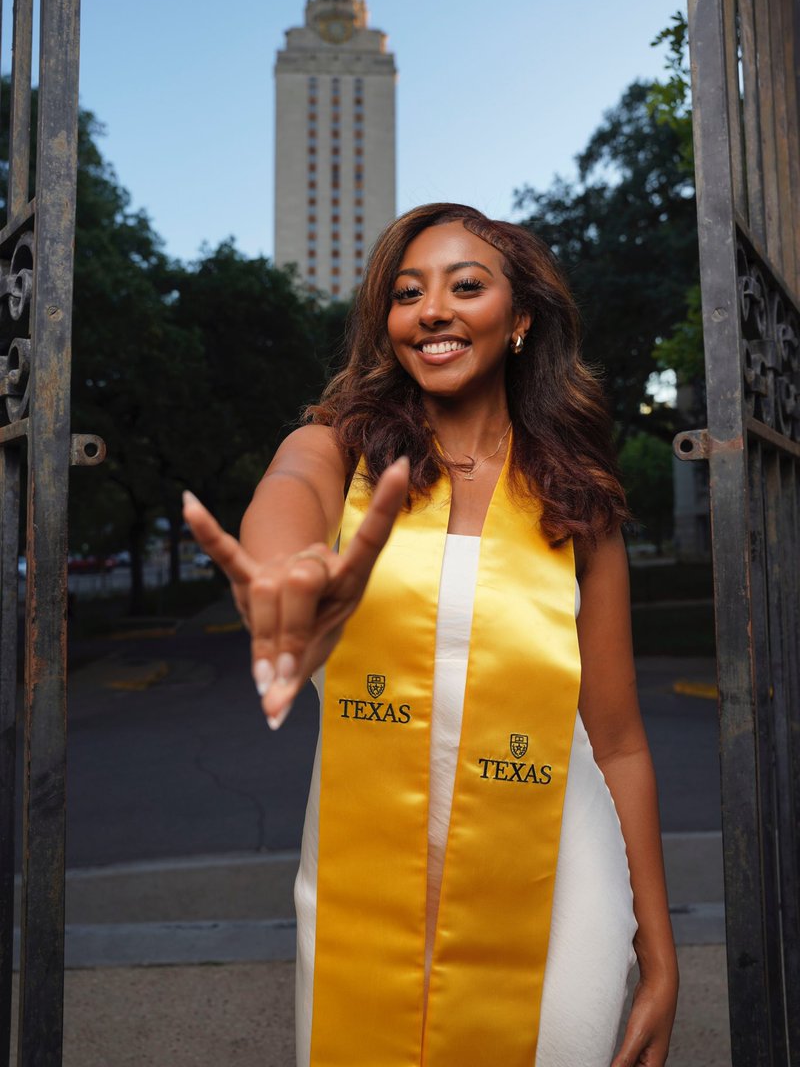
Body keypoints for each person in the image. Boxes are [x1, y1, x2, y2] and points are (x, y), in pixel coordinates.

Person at [183, 202, 678, 1067]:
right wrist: (288, 570)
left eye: (467, 286)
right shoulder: (342, 450)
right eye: (408, 293)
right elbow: (289, 491)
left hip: (558, 861)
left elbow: (621, 743)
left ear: (519, 319)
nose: (434, 309)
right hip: (363, 852)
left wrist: (662, 960)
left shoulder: (576, 503)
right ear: (390, 326)